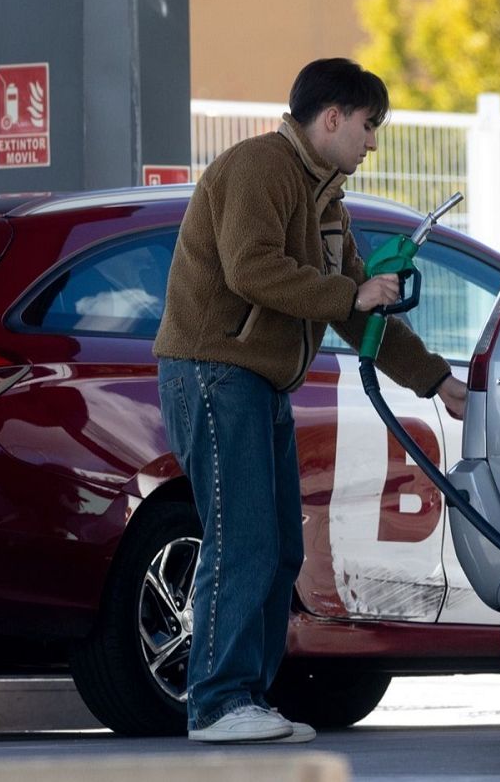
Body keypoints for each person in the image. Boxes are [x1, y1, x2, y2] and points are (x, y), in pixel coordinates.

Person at [153, 57, 467, 744]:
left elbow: (357, 311)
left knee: (278, 551)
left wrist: (438, 382)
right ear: (331, 118)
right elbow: (252, 267)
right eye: (367, 125)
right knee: (244, 543)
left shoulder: (326, 199)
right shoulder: (259, 168)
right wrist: (348, 294)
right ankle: (216, 703)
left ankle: (247, 701)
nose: (372, 142)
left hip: (256, 381)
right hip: (214, 372)